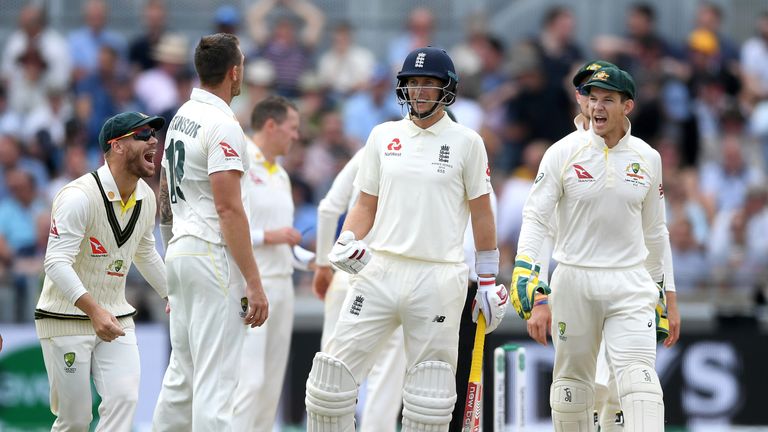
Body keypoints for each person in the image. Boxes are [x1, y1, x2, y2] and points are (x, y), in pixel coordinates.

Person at [305, 46, 507, 431]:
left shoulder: (467, 142)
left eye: (427, 84)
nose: (418, 92)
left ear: (446, 90)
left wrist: (486, 280)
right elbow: (365, 203)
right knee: (329, 384)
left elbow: (482, 215)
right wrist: (348, 237)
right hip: (379, 270)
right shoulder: (383, 136)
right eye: (412, 84)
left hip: (438, 275)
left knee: (428, 396)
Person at [511, 66, 680, 432]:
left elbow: (655, 232)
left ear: (627, 106)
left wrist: (668, 294)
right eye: (592, 98)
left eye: (607, 99)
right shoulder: (562, 153)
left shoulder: (648, 158)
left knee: (639, 382)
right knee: (573, 387)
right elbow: (536, 217)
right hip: (574, 280)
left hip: (630, 282)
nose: (597, 107)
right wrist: (527, 270)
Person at [152, 33, 268, 431]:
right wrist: (254, 282)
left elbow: (164, 191)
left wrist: (172, 256)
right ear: (234, 72)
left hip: (182, 251)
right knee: (216, 384)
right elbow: (228, 208)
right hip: (212, 257)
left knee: (181, 377)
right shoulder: (222, 124)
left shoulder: (183, 115)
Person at [34, 111, 168, 431]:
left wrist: (172, 292)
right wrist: (94, 311)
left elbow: (145, 251)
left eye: (153, 134)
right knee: (75, 420)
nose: (153, 140)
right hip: (64, 318)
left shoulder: (146, 197)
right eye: (142, 135)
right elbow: (54, 262)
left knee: (124, 401)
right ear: (117, 146)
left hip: (117, 316)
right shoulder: (78, 197)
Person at [312, 148, 407, 432]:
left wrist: (321, 265)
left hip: (346, 271)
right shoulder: (429, 154)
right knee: (386, 377)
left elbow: (328, 208)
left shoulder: (372, 148)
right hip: (389, 277)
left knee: (331, 373)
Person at [232, 95, 303, 430]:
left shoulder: (282, 175)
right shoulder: (241, 161)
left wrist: (313, 262)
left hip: (282, 282)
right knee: (250, 379)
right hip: (251, 283)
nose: (296, 136)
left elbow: (282, 238)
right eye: (292, 128)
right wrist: (269, 236)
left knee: (272, 381)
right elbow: (227, 222)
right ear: (271, 125)